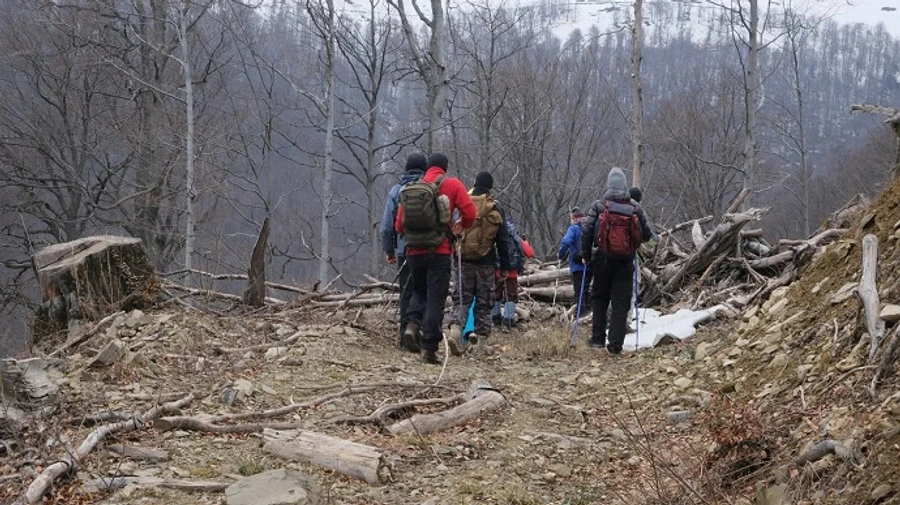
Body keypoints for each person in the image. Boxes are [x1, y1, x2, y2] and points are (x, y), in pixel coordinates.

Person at [395, 153, 476, 364]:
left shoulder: (413, 189)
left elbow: (398, 225)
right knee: (435, 299)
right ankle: (429, 349)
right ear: (445, 168)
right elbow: (470, 213)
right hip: (439, 251)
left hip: (413, 252)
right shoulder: (452, 184)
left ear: (428, 167)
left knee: (419, 290)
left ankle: (412, 325)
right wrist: (461, 226)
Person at [580, 168, 653, 354]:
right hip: (625, 261)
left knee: (600, 298)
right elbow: (647, 235)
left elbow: (587, 230)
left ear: (608, 185)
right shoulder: (635, 208)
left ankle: (597, 339)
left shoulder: (598, 206)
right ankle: (615, 345)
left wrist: (586, 255)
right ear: (625, 186)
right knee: (621, 302)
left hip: (602, 259)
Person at [449, 171, 511, 348]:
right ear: (490, 187)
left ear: (474, 183)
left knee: (461, 298)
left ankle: (455, 329)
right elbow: (503, 240)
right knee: (484, 301)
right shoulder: (494, 207)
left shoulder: (463, 202)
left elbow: (452, 230)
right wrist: (505, 267)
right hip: (486, 262)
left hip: (463, 260)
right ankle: (480, 341)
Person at [380, 153, 427, 351]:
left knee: (406, 292)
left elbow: (386, 227)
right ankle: (419, 333)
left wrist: (389, 250)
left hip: (403, 250)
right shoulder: (429, 189)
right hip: (427, 248)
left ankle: (403, 337)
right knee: (423, 291)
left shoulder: (396, 190)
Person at [492, 223, 533, 331]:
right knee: (511, 295)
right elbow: (530, 253)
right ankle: (508, 321)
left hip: (497, 269)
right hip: (512, 270)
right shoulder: (515, 237)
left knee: (496, 293)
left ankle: (495, 320)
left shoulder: (492, 234)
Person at [558, 208, 592, 309]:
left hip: (577, 265)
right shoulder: (590, 227)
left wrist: (561, 254)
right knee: (586, 288)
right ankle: (588, 309)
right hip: (590, 263)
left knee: (579, 289)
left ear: (574, 218)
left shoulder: (574, 228)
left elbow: (566, 242)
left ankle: (580, 312)